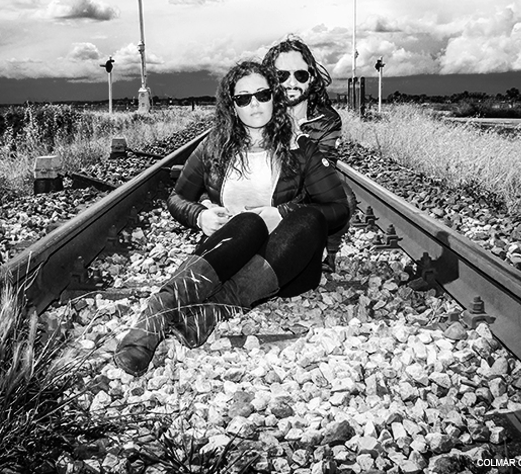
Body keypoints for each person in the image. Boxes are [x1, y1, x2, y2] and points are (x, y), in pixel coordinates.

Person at [113, 60, 349, 377]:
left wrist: (281, 213)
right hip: (228, 255)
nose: (255, 104)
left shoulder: (300, 148)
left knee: (309, 218)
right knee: (249, 223)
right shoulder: (213, 147)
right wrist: (200, 216)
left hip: (287, 263)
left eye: (263, 95)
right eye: (243, 98)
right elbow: (177, 198)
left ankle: (212, 308)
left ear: (275, 97)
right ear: (232, 106)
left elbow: (338, 207)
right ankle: (161, 315)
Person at [262, 36, 355, 273]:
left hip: (302, 189)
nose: (291, 82)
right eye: (282, 75)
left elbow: (325, 171)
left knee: (343, 195)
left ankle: (328, 255)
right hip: (265, 185)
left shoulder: (326, 120)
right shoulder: (258, 111)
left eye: (300, 75)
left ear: (311, 77)